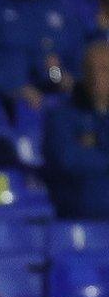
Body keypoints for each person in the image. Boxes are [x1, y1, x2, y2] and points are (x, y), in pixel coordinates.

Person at [44, 42, 109, 219]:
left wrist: (95, 149)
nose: (96, 76)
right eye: (90, 69)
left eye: (104, 69)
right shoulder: (61, 116)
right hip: (83, 209)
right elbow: (68, 160)